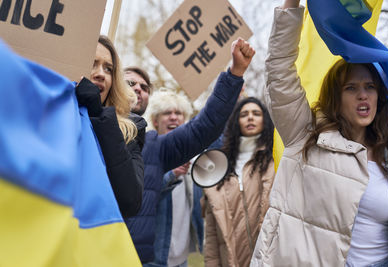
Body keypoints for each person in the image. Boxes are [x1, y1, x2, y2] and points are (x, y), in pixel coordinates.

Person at [251, 1, 388, 266]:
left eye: (369, 87)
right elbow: (279, 73)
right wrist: (291, 6)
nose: (363, 94)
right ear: (335, 97)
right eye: (351, 88)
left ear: (380, 96)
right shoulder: (307, 136)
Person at [123, 37, 255, 264]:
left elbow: (206, 128)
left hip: (177, 257)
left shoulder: (156, 146)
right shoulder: (93, 126)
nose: (138, 89)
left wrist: (234, 77)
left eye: (144, 87)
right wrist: (171, 175)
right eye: (130, 84)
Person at [75, 35, 144, 218]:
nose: (100, 74)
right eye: (92, 63)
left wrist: (98, 116)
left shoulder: (128, 132)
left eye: (108, 69)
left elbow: (130, 202)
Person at [203, 97, 275, 267]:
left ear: (265, 120)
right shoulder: (219, 166)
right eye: (244, 114)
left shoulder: (276, 160)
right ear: (236, 122)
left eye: (256, 113)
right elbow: (212, 233)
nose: (250, 117)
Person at [142, 89, 203, 267]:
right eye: (167, 113)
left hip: (182, 258)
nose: (173, 117)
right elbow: (141, 197)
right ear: (155, 120)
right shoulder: (145, 151)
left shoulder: (193, 154)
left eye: (178, 113)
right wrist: (171, 174)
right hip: (154, 257)